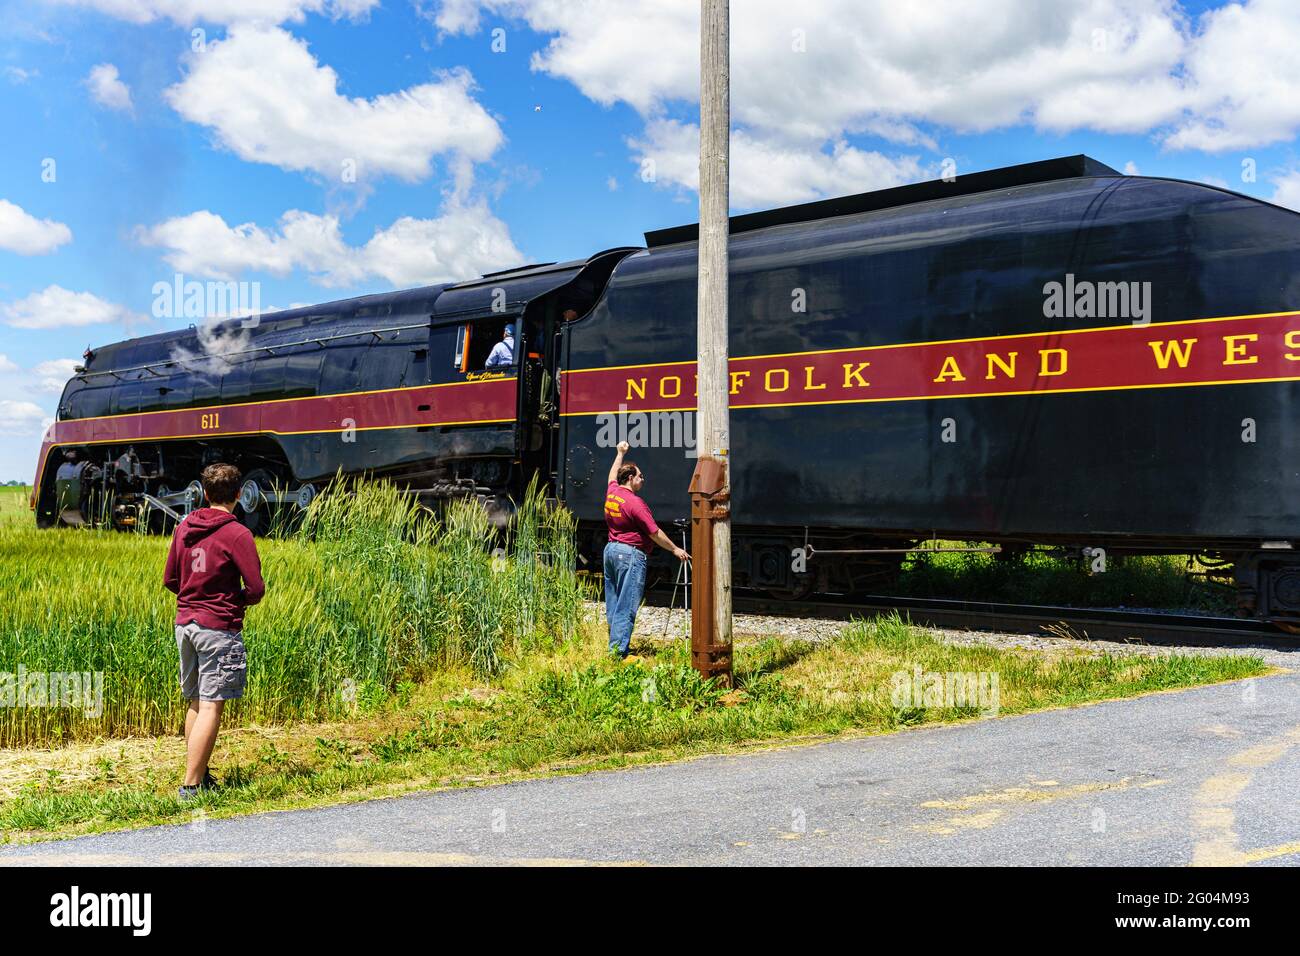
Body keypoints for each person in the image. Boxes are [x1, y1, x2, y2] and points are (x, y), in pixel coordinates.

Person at [163, 463, 265, 801]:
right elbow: (255, 587)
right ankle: (191, 786)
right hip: (218, 628)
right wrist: (234, 601)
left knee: (195, 702)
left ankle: (200, 774)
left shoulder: (183, 527)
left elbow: (171, 581)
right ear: (239, 494)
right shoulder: (238, 534)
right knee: (211, 706)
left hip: (185, 626)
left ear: (205, 494)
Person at [603, 441, 688, 658]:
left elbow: (612, 475)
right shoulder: (635, 503)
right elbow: (655, 533)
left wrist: (620, 453)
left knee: (614, 603)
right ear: (630, 479)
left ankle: (615, 645)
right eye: (641, 476)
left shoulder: (613, 492)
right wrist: (675, 549)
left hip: (611, 551)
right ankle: (618, 653)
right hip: (629, 555)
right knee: (627, 605)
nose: (643, 480)